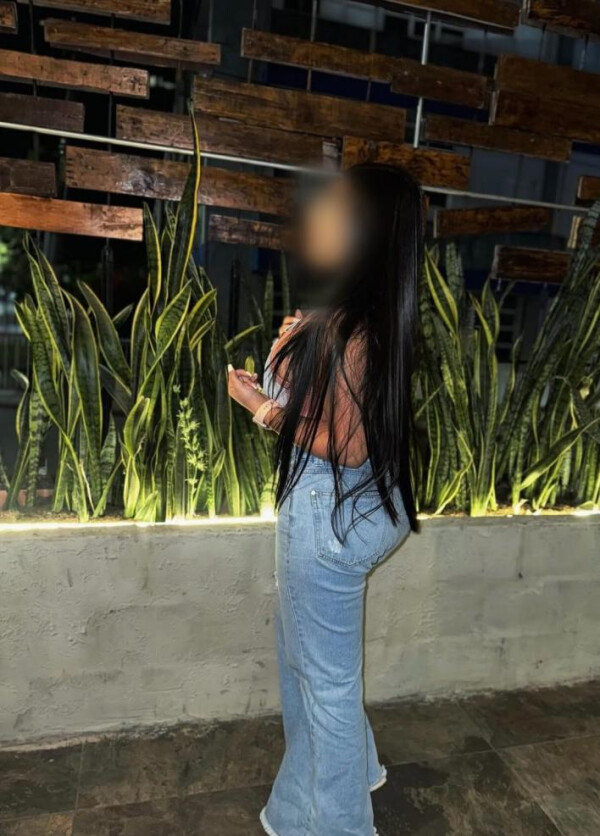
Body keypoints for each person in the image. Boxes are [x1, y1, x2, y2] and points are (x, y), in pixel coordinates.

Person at [227, 163, 423, 836]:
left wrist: (260, 407)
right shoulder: (359, 314)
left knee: (323, 683)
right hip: (354, 507)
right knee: (314, 663)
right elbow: (340, 414)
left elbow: (348, 446)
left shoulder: (352, 330)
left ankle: (338, 823)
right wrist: (294, 353)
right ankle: (357, 768)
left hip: (327, 515)